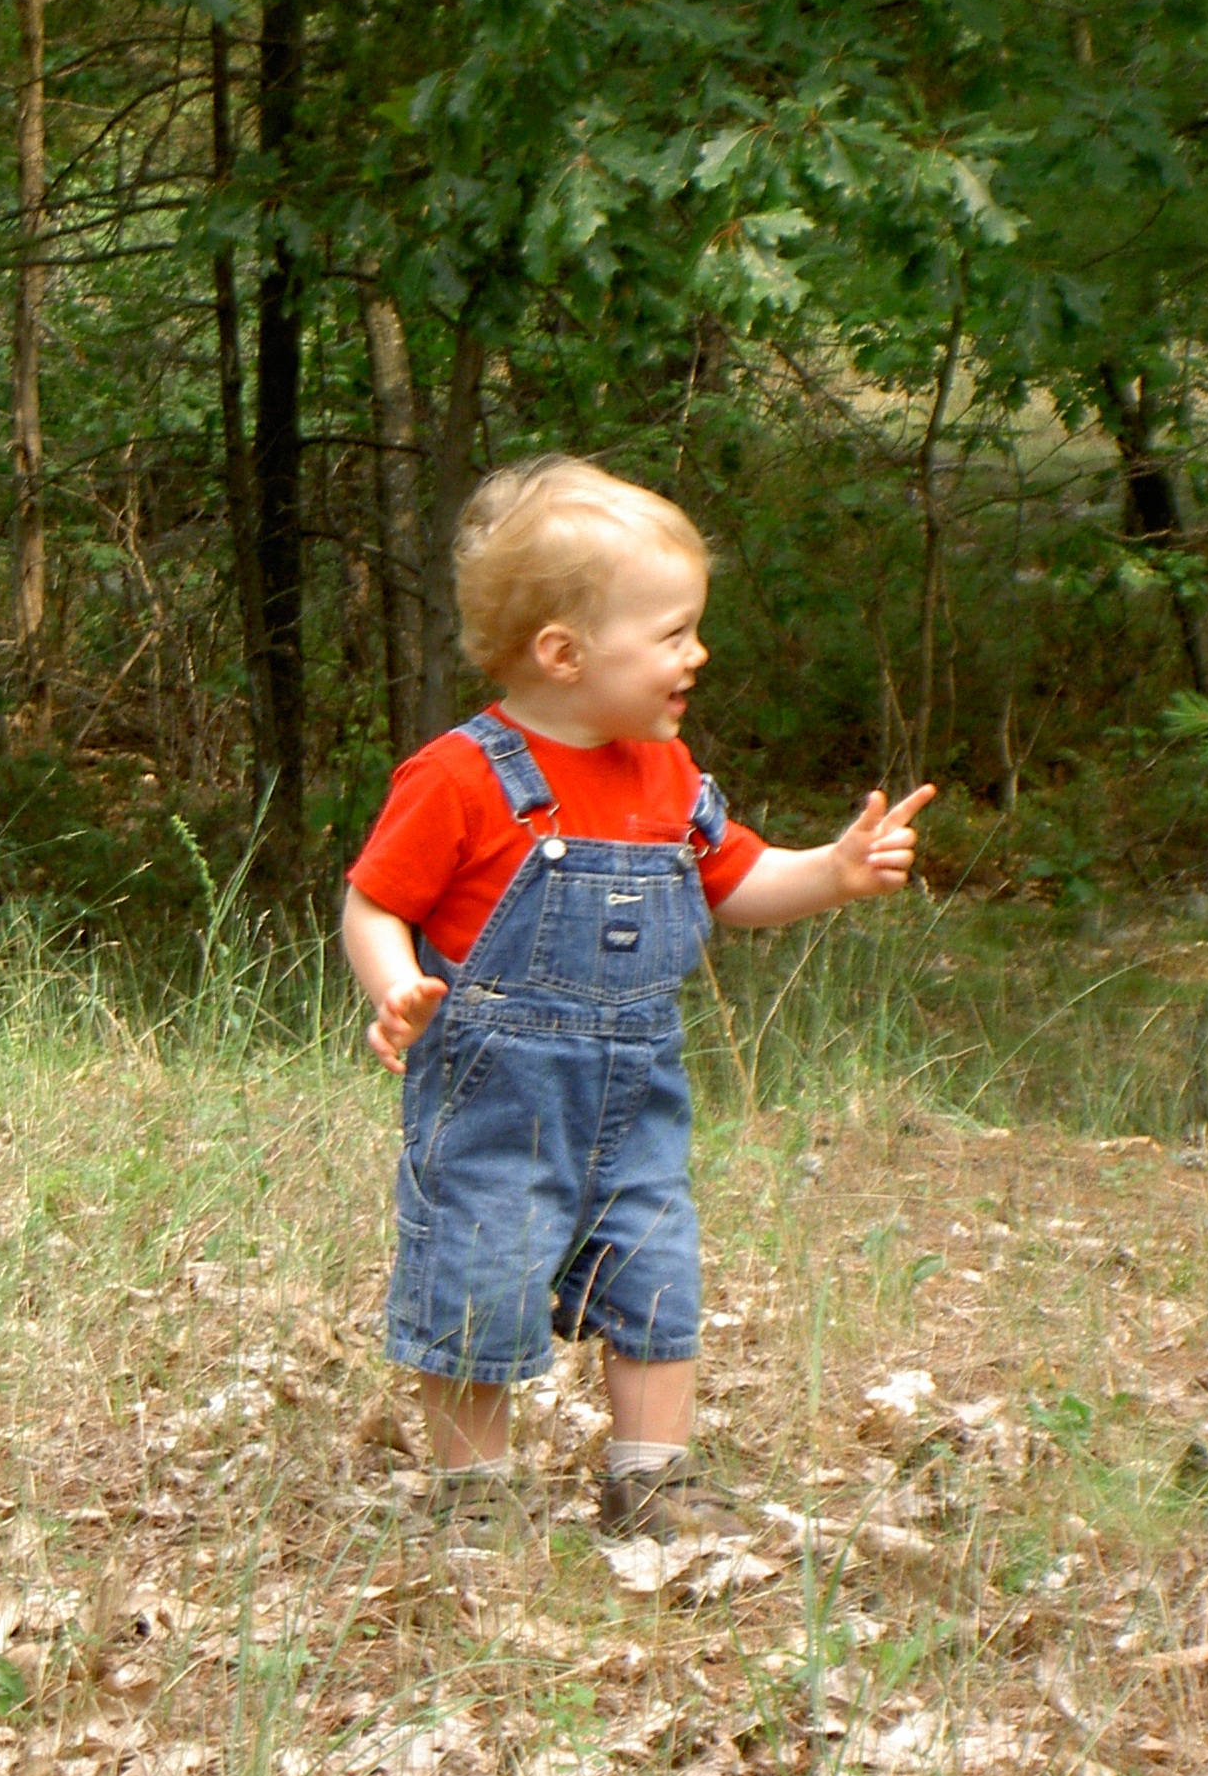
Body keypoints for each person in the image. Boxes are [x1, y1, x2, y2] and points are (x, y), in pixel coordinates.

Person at [342, 456, 933, 1549]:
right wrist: (395, 988)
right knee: (479, 1276)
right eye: (672, 633)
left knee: (657, 1275)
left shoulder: (666, 772)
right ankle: (478, 1488)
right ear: (564, 654)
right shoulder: (460, 775)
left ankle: (652, 1477)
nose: (696, 653)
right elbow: (374, 901)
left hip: (639, 1100)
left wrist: (833, 871)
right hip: (497, 1103)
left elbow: (736, 882)